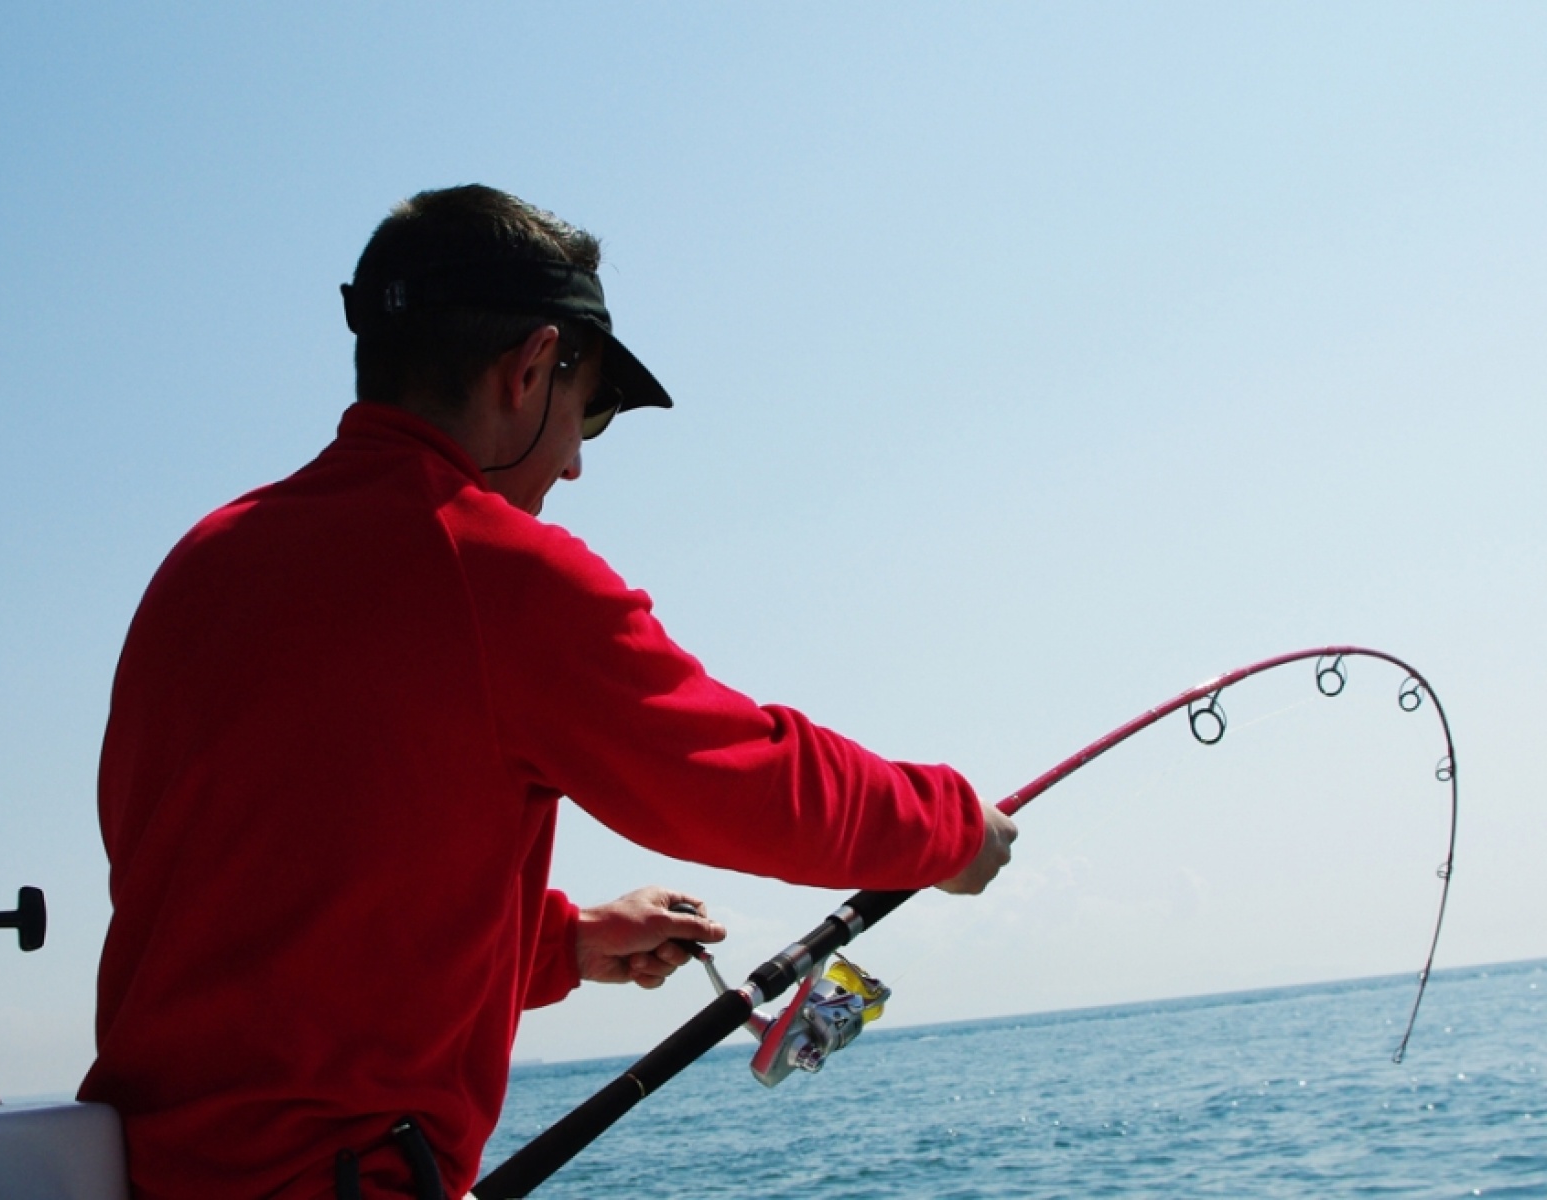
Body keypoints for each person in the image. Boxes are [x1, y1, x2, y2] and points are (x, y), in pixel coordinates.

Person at [79, 184, 1019, 1200]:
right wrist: (949, 828)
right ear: (530, 368)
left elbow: (274, 908)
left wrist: (566, 944)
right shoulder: (485, 568)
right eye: (591, 412)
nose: (573, 465)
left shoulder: (205, 566)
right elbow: (745, 779)